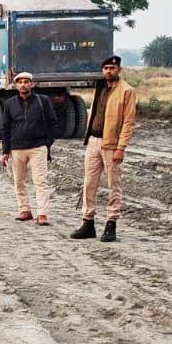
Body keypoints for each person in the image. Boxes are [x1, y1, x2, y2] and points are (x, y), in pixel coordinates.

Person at [72, 56, 138, 242]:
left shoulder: (127, 91)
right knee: (89, 183)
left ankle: (111, 224)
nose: (109, 71)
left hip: (112, 145)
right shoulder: (100, 87)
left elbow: (129, 122)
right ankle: (88, 223)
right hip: (93, 141)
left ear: (119, 70)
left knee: (113, 185)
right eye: (106, 68)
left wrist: (121, 147)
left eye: (112, 68)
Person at [0, 72, 58, 226]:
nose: (23, 85)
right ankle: (24, 210)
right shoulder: (10, 104)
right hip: (17, 148)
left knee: (40, 181)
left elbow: (52, 123)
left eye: (26, 82)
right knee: (19, 182)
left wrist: (46, 144)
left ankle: (42, 213)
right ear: (16, 85)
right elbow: (5, 128)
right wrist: (5, 151)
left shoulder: (43, 101)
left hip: (38, 148)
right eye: (20, 82)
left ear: (32, 84)